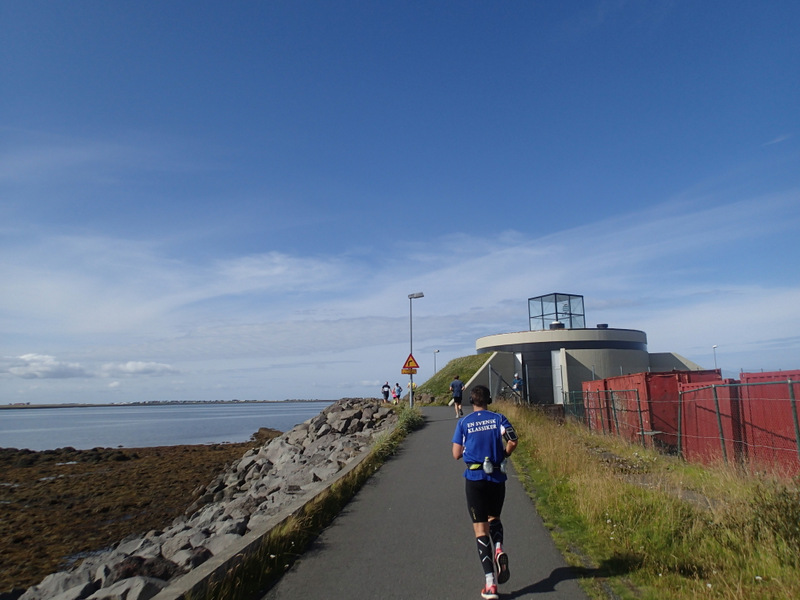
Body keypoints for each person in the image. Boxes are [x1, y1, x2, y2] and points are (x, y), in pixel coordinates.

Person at [452, 385, 518, 600]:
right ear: (488, 400)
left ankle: (490, 585)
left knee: (481, 530)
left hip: (475, 479)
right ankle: (498, 548)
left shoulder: (463, 422)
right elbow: (513, 440)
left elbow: (455, 454)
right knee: (495, 517)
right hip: (496, 477)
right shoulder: (499, 418)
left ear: (471, 401)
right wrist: (504, 455)